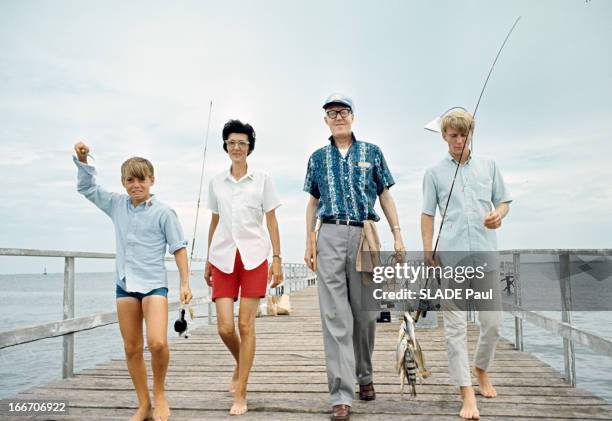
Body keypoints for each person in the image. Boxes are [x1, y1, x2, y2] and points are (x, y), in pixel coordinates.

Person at [303, 94, 405, 421]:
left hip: (364, 235)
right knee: (335, 318)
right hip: (329, 233)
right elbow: (312, 202)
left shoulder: (371, 152)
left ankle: (365, 375)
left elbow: (385, 194)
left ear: (352, 116)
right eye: (332, 113)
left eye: (343, 112)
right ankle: (341, 393)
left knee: (365, 315)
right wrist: (310, 239)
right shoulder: (317, 158)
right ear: (325, 120)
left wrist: (397, 233)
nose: (338, 117)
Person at [73, 142, 192, 421]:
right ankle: (143, 403)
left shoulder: (164, 212)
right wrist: (82, 160)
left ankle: (160, 394)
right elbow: (87, 189)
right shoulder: (116, 205)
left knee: (158, 343)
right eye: (130, 179)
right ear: (124, 182)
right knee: (131, 347)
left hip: (153, 284)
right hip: (124, 285)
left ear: (152, 180)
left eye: (142, 179)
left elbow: (179, 247)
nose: (136, 184)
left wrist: (185, 282)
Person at [420, 110, 512, 420]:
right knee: (455, 329)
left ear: (470, 134)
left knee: (493, 322)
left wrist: (498, 214)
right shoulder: (433, 173)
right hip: (452, 258)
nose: (458, 140)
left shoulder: (490, 166)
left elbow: (504, 201)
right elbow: (427, 214)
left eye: (463, 134)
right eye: (453, 135)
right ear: (444, 136)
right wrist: (428, 249)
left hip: (486, 256)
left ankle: (481, 367)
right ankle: (466, 392)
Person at [204, 119, 283, 416]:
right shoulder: (216, 182)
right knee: (225, 326)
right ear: (225, 146)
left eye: (242, 143)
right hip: (223, 257)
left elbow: (272, 221)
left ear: (250, 147)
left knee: (246, 325)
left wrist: (277, 259)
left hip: (254, 257)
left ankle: (242, 390)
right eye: (232, 142)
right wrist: (208, 259)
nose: (237, 147)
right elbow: (214, 221)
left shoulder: (262, 179)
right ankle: (241, 362)